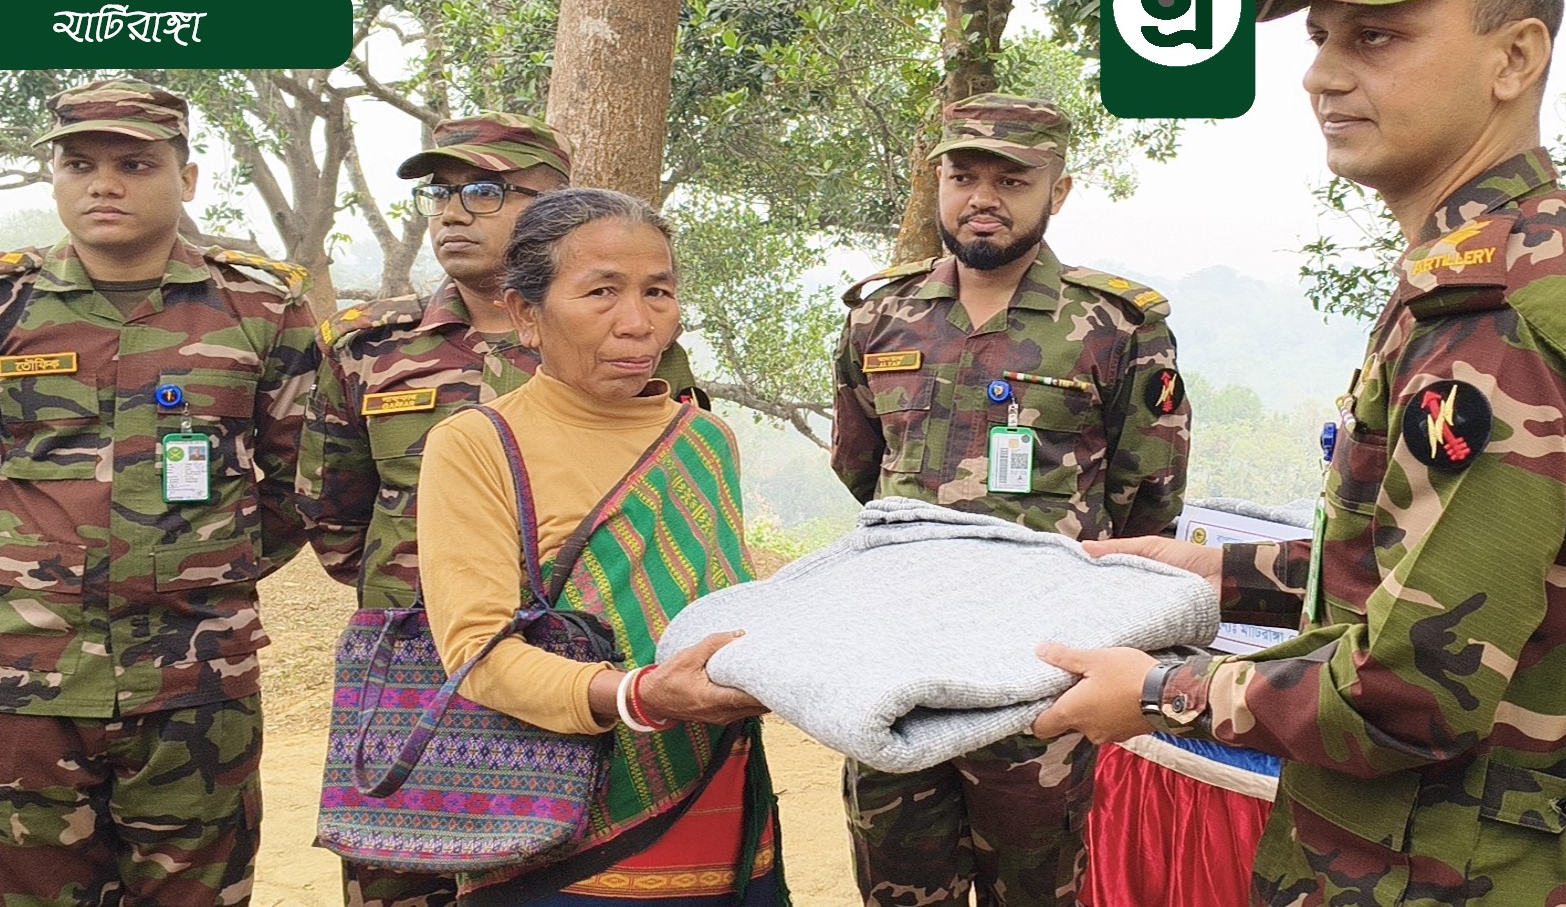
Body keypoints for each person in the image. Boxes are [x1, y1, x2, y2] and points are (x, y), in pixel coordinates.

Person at [1033, 0, 1566, 906]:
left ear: (1515, 57)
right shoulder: (1490, 266)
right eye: (1322, 37)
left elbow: (1414, 688)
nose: (1323, 75)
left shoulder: (1495, 317)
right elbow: (1413, 562)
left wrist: (1158, 692)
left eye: (1378, 39)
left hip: (1461, 874)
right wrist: (1211, 570)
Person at [0, 78, 318, 906]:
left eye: (136, 163)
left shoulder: (263, 308)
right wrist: (41, 567)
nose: (105, 183)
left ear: (189, 178)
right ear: (54, 176)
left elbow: (303, 480)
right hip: (25, 678)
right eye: (79, 163)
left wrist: (200, 567)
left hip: (198, 677)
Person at [298, 113, 706, 907]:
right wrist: (436, 598)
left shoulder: (630, 345)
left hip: (585, 677)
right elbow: (330, 512)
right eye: (441, 192)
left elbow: (661, 516)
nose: (454, 210)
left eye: (485, 190)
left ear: (557, 202)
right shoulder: (371, 345)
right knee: (402, 881)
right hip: (417, 680)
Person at [829, 93, 1192, 907]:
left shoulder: (1116, 326)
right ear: (939, 184)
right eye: (963, 174)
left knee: (1032, 889)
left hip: (1038, 675)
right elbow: (861, 467)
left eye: (1012, 177)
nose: (982, 196)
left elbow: (1147, 501)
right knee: (897, 884)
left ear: (1056, 191)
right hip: (896, 659)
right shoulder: (881, 316)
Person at [416, 189, 785, 907]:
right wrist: (638, 694)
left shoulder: (705, 440)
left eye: (658, 291)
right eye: (601, 292)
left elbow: (728, 607)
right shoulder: (477, 445)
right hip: (559, 834)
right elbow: (479, 657)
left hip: (722, 804)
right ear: (527, 313)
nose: (638, 322)